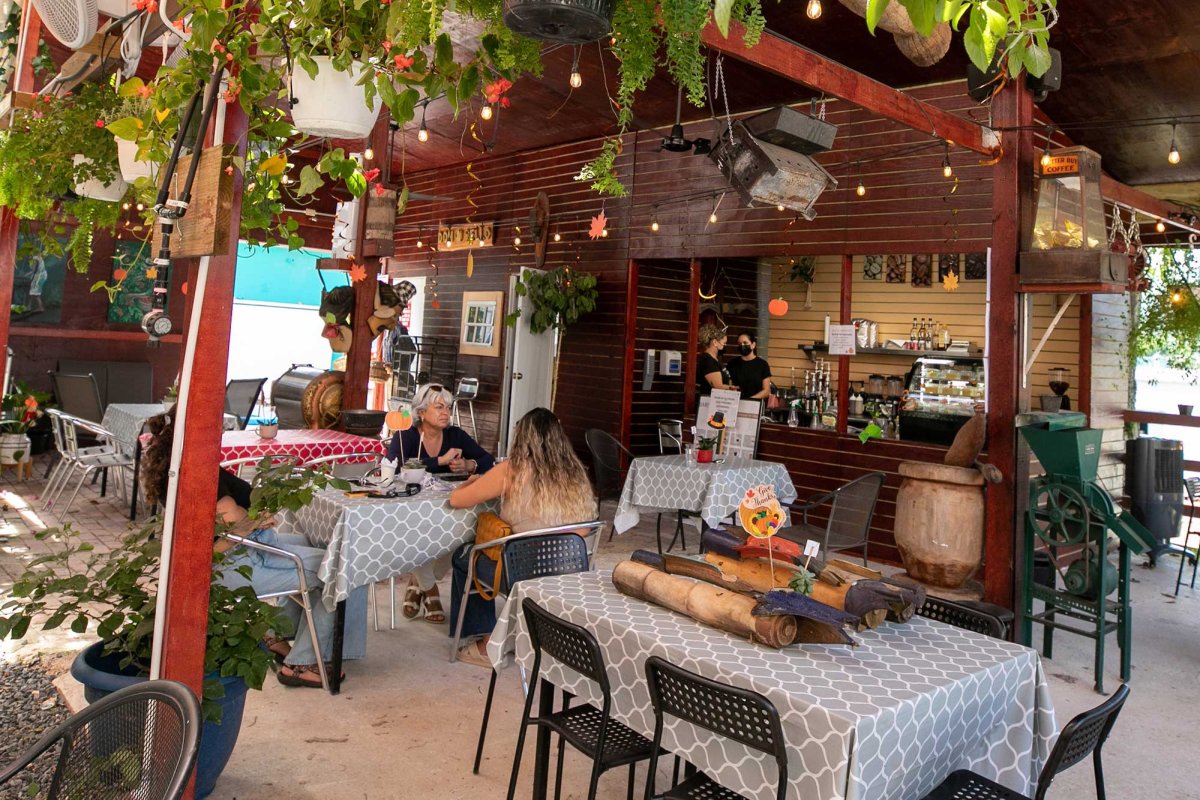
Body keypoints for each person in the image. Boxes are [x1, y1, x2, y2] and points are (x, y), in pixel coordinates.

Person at [141, 407, 367, 689]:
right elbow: (229, 531)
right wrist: (257, 520)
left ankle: (273, 633)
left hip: (231, 557)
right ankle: (302, 664)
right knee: (345, 566)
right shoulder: (202, 474)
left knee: (315, 543)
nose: (221, 431)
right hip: (238, 564)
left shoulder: (180, 467)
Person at [445, 408, 597, 667]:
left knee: (464, 554)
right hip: (574, 571)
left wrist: (470, 483)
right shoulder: (575, 471)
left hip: (525, 572)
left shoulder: (512, 470)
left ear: (521, 437)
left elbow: (456, 500)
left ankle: (485, 639)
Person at [387, 382, 496, 624]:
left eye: (448, 407)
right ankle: (431, 590)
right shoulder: (405, 436)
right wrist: (439, 461)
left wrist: (470, 465)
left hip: (448, 505)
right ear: (421, 412)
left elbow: (488, 459)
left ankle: (419, 582)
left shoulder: (456, 435)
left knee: (459, 536)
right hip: (410, 510)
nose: (446, 412)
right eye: (439, 407)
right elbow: (393, 469)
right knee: (416, 539)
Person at [725, 331, 772, 401]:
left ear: (753, 345)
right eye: (739, 343)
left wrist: (749, 400)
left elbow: (766, 391)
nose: (742, 345)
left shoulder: (763, 364)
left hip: (756, 405)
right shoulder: (732, 363)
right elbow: (729, 386)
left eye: (745, 343)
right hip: (736, 404)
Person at [696, 323, 737, 396]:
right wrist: (733, 388)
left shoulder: (716, 359)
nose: (725, 345)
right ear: (715, 342)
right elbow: (718, 386)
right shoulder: (707, 360)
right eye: (724, 343)